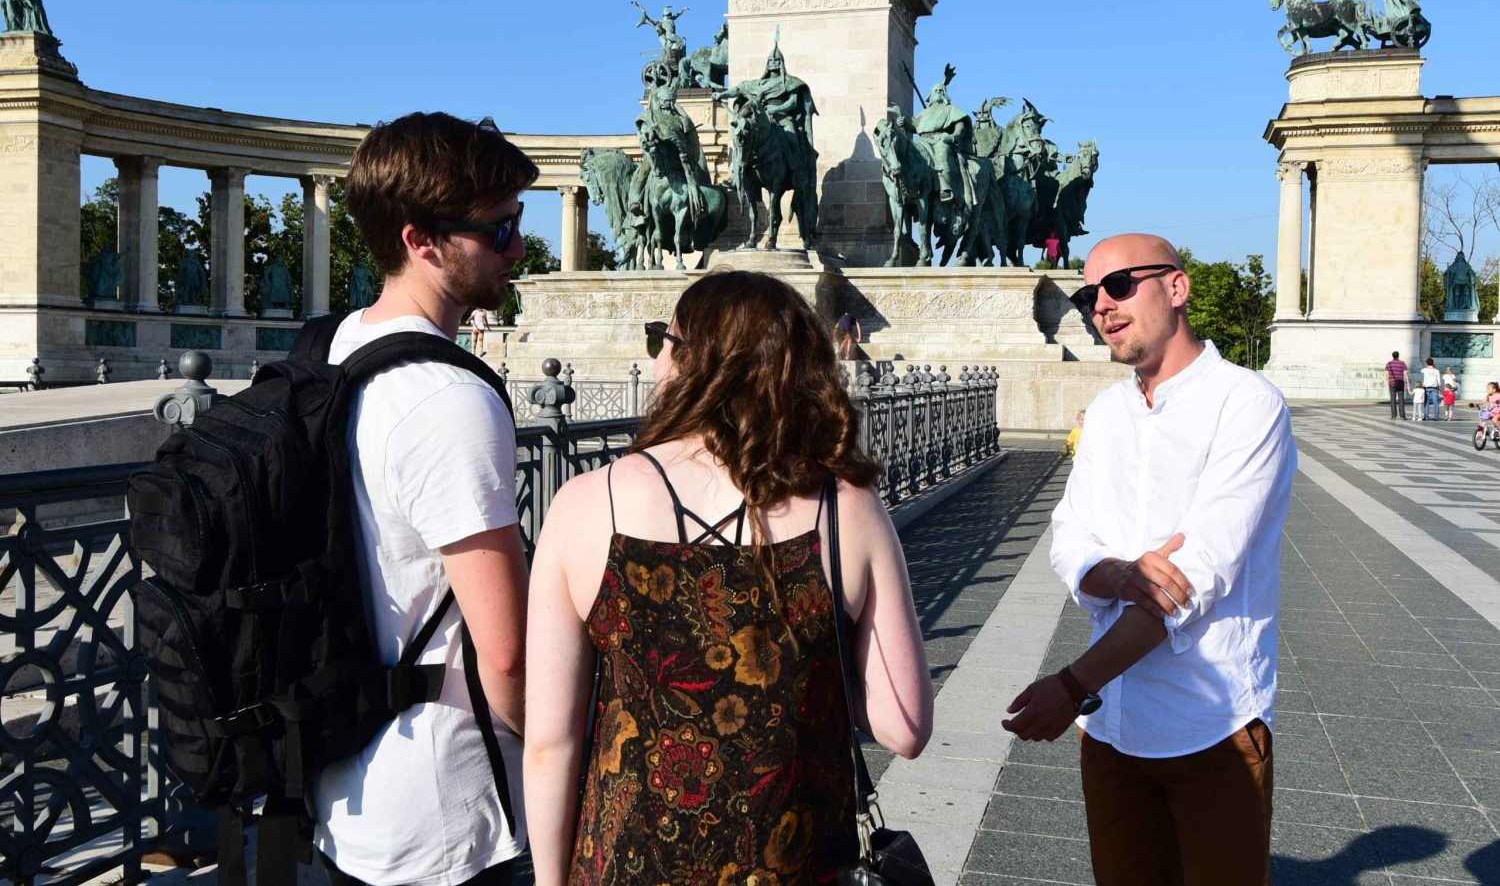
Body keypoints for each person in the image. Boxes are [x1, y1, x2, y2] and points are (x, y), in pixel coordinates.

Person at [523, 269, 934, 886]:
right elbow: (905, 729)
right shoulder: (843, 504)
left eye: (663, 340)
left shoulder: (586, 503)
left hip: (629, 865)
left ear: (693, 360)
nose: (657, 360)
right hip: (796, 865)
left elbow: (550, 744)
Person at [1006, 233, 1296, 886]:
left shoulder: (1247, 404)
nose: (1100, 305)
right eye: (1088, 295)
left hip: (1212, 729)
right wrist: (1112, 572)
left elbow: (1187, 583)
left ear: (1176, 286)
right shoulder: (1107, 412)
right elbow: (1067, 531)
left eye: (1118, 285)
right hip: (1111, 730)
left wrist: (1073, 685)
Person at [312, 112, 535, 886]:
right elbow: (505, 649)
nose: (519, 246)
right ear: (421, 240)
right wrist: (563, 758)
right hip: (449, 814)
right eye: (499, 228)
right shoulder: (448, 399)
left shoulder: (335, 349)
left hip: (348, 790)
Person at [1384, 351, 1409, 420]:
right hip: (1400, 382)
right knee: (1401, 399)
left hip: (1392, 382)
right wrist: (1408, 382)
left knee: (1393, 399)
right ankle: (1402, 416)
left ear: (1392, 356)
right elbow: (1405, 373)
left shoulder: (1389, 364)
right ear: (1398, 356)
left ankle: (1393, 416)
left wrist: (1388, 382)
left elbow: (1387, 375)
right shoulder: (1402, 363)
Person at [1420, 358, 1442, 422]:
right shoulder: (1437, 370)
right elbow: (1438, 380)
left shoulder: (1424, 370)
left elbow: (1421, 371)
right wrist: (1439, 387)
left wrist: (1427, 366)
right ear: (1433, 363)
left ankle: (1426, 416)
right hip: (1434, 387)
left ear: (1427, 363)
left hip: (1426, 387)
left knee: (1426, 402)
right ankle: (1436, 417)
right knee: (1436, 402)